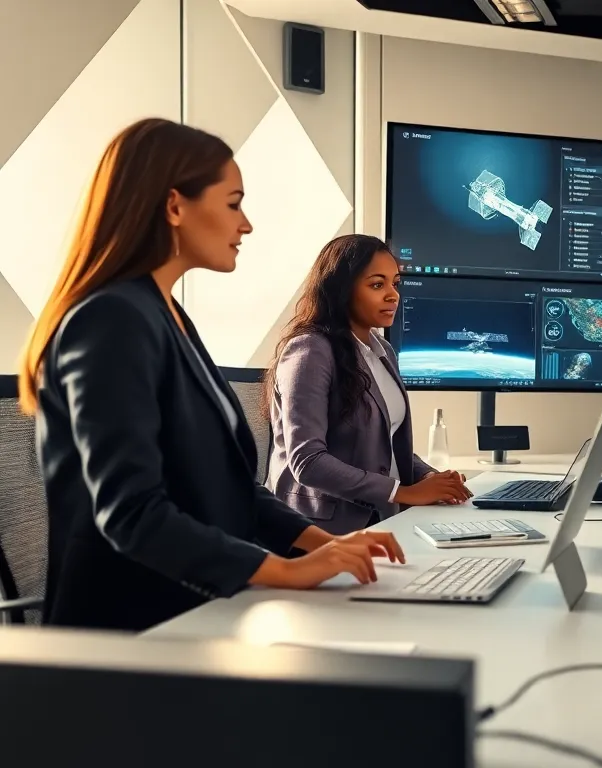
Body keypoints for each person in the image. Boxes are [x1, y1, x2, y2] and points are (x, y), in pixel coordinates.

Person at [20, 119, 405, 632]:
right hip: (133, 634)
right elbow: (132, 514)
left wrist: (327, 545)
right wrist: (286, 572)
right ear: (175, 206)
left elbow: (229, 488)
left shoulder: (167, 316)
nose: (245, 225)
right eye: (233, 203)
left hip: (202, 610)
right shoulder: (111, 320)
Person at [265, 234, 470, 534]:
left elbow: (384, 446)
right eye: (377, 285)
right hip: (322, 530)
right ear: (342, 289)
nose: (393, 295)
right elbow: (308, 462)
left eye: (395, 284)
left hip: (384, 520)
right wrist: (403, 492)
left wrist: (429, 478)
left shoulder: (382, 350)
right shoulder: (309, 350)